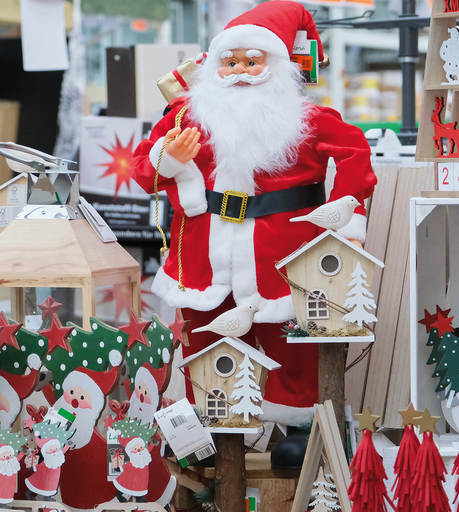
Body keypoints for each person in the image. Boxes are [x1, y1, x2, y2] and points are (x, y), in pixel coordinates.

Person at [133, 1, 376, 437]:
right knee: (209, 337)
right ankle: (217, 425)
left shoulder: (308, 119)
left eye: (252, 61)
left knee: (292, 341)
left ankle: (298, 424)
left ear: (277, 65)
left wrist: (346, 218)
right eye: (231, 62)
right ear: (215, 66)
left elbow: (355, 153)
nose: (241, 70)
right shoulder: (187, 117)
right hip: (206, 253)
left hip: (281, 252)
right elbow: (143, 169)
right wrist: (168, 159)